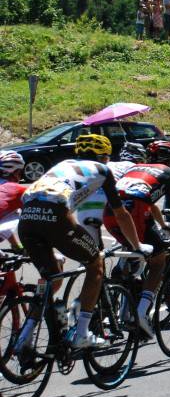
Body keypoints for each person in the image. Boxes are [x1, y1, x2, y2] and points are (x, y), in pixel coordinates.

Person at [17, 134, 147, 349]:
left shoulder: (63, 164)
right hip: (55, 214)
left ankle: (26, 336)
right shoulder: (103, 170)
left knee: (51, 277)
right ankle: (82, 333)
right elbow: (121, 214)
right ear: (104, 157)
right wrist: (137, 246)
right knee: (95, 264)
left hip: (28, 217)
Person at [102, 140, 170, 340]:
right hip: (134, 213)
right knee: (158, 261)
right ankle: (142, 312)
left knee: (135, 251)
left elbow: (149, 201)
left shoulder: (135, 168)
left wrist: (162, 225)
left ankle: (123, 292)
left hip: (111, 214)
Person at [0, 151, 27, 247]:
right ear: (16, 172)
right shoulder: (18, 189)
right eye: (20, 172)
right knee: (21, 211)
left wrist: (15, 245)